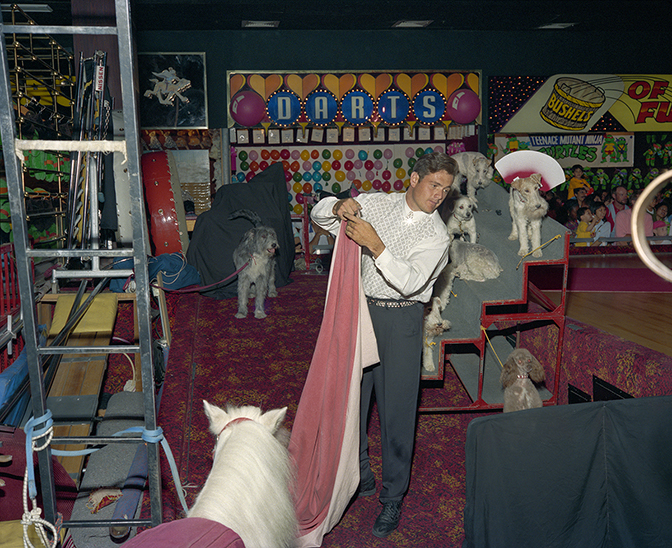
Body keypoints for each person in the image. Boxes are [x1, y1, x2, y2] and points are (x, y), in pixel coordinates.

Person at [311, 151, 456, 538]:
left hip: (402, 319)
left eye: (446, 189)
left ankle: (392, 498)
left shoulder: (437, 235)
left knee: (397, 411)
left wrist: (377, 246)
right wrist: (338, 204)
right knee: (352, 400)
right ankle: (360, 474)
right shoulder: (375, 203)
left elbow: (409, 282)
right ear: (413, 179)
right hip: (359, 311)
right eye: (434, 184)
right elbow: (320, 216)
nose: (439, 195)